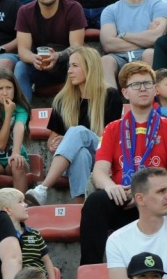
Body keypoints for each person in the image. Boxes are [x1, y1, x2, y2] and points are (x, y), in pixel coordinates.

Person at [79, 63, 167, 266]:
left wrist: (143, 192)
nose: (143, 89)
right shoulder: (112, 129)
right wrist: (111, 187)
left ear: (155, 89)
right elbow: (99, 172)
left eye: (147, 83)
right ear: (125, 92)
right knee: (95, 202)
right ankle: (90, 270)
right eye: (136, 85)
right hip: (122, 198)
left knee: (164, 200)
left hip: (158, 196)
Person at [27, 47, 124, 206]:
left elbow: (110, 141)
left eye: (75, 66)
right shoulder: (62, 100)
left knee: (77, 132)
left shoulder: (110, 96)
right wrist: (55, 143)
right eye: (69, 66)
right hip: (70, 161)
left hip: (102, 158)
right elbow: (52, 139)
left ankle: (43, 188)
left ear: (90, 68)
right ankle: (80, 208)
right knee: (81, 154)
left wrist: (72, 137)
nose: (69, 71)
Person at [13, 0, 87, 103]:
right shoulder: (24, 11)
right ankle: (23, 112)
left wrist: (58, 56)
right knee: (20, 67)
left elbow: (77, 47)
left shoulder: (73, 8)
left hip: (67, 64)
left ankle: (81, 106)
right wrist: (34, 59)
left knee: (81, 62)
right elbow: (23, 50)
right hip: (40, 65)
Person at [99, 0, 167, 87]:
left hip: (145, 56)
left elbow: (156, 38)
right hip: (119, 57)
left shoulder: (158, 6)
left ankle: (150, 97)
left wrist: (123, 35)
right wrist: (145, 38)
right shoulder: (110, 10)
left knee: (151, 53)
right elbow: (108, 44)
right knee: (105, 61)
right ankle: (112, 100)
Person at [0, 189, 61, 279]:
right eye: (20, 202)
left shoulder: (34, 233)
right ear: (7, 210)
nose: (26, 204)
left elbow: (47, 261)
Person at [0, 69, 32, 191]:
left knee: (17, 163)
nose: (5, 93)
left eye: (9, 88)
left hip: (15, 158)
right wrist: (8, 114)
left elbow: (19, 126)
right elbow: (0, 145)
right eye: (0, 89)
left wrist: (16, 153)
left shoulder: (21, 108)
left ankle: (21, 202)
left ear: (15, 89)